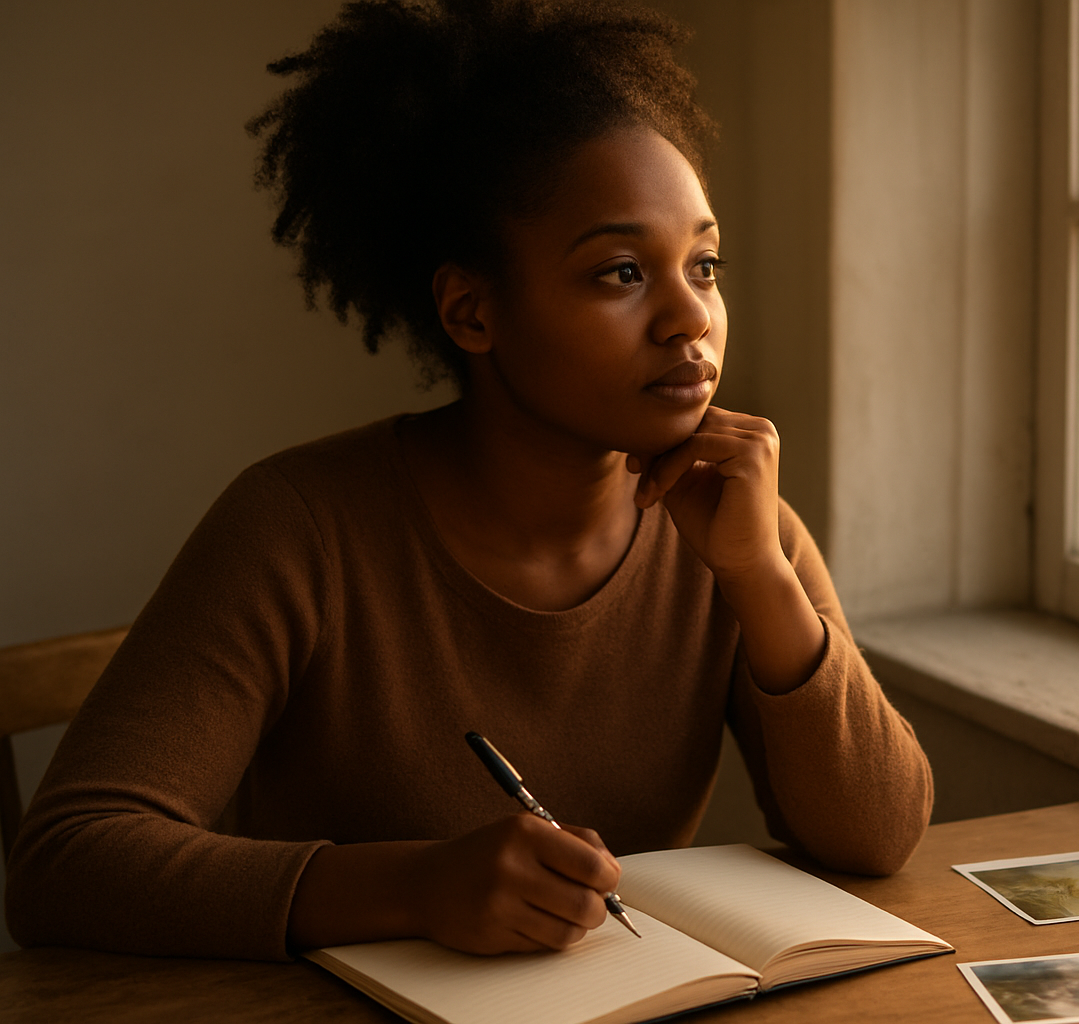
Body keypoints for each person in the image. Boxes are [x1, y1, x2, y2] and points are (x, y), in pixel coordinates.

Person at [5, 0, 931, 962]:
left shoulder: (735, 525)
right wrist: (416, 884)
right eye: (620, 272)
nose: (689, 320)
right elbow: (67, 864)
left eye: (704, 264)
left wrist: (763, 580)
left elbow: (879, 834)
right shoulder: (299, 527)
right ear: (472, 311)